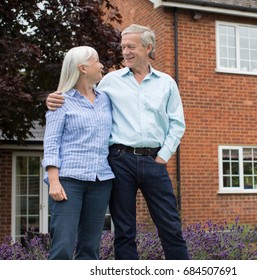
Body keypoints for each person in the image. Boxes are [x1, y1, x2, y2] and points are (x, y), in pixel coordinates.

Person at [46, 24, 189, 260]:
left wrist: (163, 156)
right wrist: (51, 99)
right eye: (123, 47)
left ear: (148, 47)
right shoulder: (110, 81)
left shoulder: (166, 83)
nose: (125, 52)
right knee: (124, 230)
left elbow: (177, 123)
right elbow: (79, 95)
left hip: (154, 160)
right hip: (119, 161)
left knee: (170, 226)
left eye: (131, 46)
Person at [42, 46, 114, 260]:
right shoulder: (61, 101)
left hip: (101, 181)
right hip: (68, 182)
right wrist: (53, 181)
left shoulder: (106, 99)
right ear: (83, 68)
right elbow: (51, 143)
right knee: (63, 246)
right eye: (97, 61)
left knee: (90, 248)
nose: (102, 65)